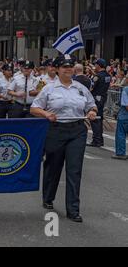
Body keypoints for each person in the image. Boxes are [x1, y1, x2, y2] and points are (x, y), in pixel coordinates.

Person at [31, 54, 98, 223]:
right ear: (57, 69)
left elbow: (92, 105)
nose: (68, 69)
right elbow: (34, 108)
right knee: (53, 166)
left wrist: (92, 112)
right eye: (64, 66)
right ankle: (48, 197)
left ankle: (73, 209)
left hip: (77, 130)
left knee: (74, 170)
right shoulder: (49, 88)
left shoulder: (80, 88)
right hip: (56, 130)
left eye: (70, 66)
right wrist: (46, 113)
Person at [88, 59, 111, 148]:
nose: (95, 66)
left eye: (96, 65)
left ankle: (96, 140)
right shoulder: (107, 75)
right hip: (103, 97)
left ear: (99, 65)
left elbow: (92, 87)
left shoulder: (97, 76)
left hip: (96, 98)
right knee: (99, 118)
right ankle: (100, 140)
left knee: (94, 119)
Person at [112, 83, 128, 160]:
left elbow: (126, 104)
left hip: (124, 116)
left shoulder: (126, 89)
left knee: (121, 134)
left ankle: (120, 153)